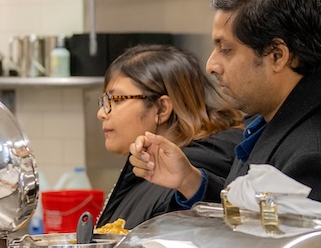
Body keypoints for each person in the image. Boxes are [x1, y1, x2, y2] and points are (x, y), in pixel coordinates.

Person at [128, 0, 321, 248]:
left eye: (226, 49)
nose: (211, 65)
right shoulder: (277, 119)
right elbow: (256, 219)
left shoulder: (317, 160)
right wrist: (191, 180)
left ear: (277, 55)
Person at [95, 44, 243, 230]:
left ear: (162, 108)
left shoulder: (189, 171)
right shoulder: (146, 169)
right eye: (105, 101)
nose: (102, 113)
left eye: (115, 100)